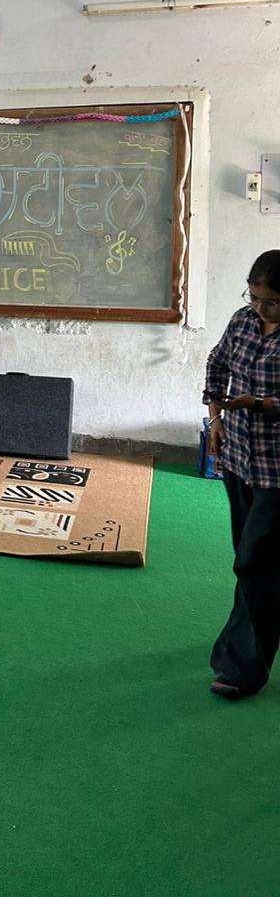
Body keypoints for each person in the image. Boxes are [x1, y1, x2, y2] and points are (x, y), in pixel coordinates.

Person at [205, 250, 280, 698]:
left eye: (271, 301)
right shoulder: (242, 322)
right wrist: (216, 418)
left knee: (255, 562)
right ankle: (251, 634)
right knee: (250, 559)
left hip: (277, 472)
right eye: (253, 297)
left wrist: (263, 405)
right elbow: (216, 364)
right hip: (239, 460)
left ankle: (243, 668)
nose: (259, 308)